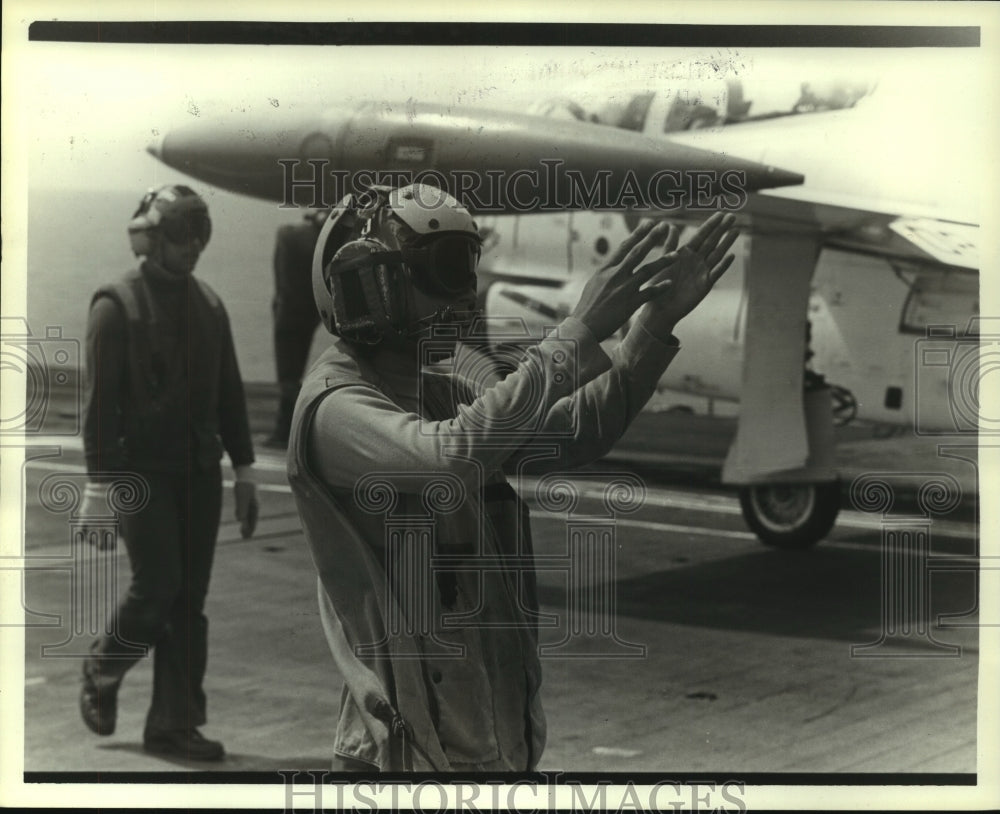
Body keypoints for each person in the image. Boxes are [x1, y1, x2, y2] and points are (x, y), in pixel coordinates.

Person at [286, 183, 738, 771]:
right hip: (405, 757)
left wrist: (651, 326)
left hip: (489, 744)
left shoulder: (436, 390)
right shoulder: (335, 408)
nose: (463, 297)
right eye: (442, 272)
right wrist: (577, 331)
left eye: (463, 268)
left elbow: (581, 427)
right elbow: (448, 459)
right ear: (371, 285)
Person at [78, 184, 260, 761]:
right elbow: (99, 406)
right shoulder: (115, 306)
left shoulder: (209, 305)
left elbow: (229, 394)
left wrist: (247, 472)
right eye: (181, 235)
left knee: (190, 601)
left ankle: (174, 724)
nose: (194, 247)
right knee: (157, 588)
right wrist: (98, 487)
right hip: (140, 477)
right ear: (151, 237)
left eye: (200, 234)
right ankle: (102, 667)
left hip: (199, 475)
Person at [264, 209, 326, 448]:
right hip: (309, 306)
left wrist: (281, 304)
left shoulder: (289, 236)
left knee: (289, 371)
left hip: (291, 307)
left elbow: (284, 287)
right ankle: (289, 428)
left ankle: (285, 429)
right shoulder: (301, 239)